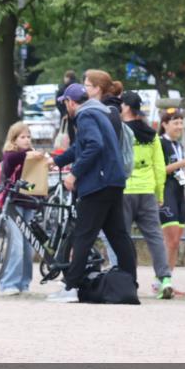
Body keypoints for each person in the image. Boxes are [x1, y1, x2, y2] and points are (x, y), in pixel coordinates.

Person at [47, 83, 137, 303]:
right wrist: (57, 160)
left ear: (70, 102)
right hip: (114, 181)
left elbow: (93, 146)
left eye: (65, 103)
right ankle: (129, 284)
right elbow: (81, 147)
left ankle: (71, 288)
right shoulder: (101, 113)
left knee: (83, 235)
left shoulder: (85, 116)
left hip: (98, 183)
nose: (66, 107)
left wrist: (74, 174)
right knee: (119, 235)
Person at [119, 91, 173, 299]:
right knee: (155, 236)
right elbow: (160, 167)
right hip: (147, 191)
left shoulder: (121, 132)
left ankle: (127, 280)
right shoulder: (151, 135)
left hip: (124, 190)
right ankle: (164, 278)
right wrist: (159, 193)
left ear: (125, 108)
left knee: (122, 238)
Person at [0, 122, 43, 296]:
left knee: (28, 246)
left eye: (29, 137)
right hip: (13, 203)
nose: (27, 140)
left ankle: (23, 283)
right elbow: (9, 164)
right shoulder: (12, 154)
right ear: (14, 139)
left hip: (29, 201)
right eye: (22, 137)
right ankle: (8, 284)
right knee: (16, 244)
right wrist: (29, 155)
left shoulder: (32, 155)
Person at [158, 109, 185, 290]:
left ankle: (167, 280)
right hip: (166, 192)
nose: (179, 127)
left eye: (181, 123)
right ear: (165, 124)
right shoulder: (159, 143)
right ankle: (161, 280)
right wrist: (180, 165)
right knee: (169, 240)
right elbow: (159, 170)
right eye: (175, 123)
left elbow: (180, 168)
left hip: (179, 192)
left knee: (176, 242)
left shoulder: (179, 145)